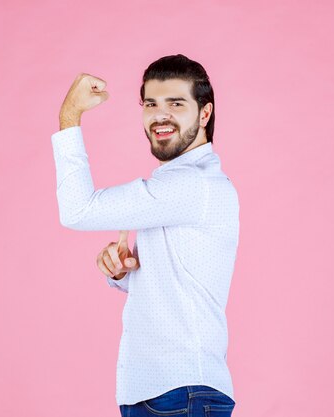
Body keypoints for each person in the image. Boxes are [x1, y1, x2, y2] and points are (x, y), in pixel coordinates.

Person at [51, 54, 239, 416]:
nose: (160, 115)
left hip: (179, 395)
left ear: (204, 114)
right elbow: (183, 284)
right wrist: (125, 273)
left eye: (176, 103)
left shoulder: (193, 184)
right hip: (166, 394)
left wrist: (69, 116)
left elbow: (77, 210)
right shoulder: (184, 186)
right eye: (151, 103)